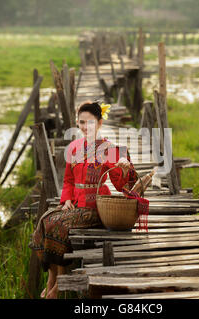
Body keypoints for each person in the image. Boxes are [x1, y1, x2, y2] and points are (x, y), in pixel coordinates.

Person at [29, 100, 138, 299]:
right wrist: (66, 199)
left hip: (96, 206)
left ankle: (57, 288)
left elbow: (123, 186)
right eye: (81, 122)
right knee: (45, 219)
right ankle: (52, 278)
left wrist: (124, 168)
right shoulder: (74, 147)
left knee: (59, 224)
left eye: (90, 122)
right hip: (76, 203)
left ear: (99, 123)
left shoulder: (109, 149)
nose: (85, 127)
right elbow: (68, 179)